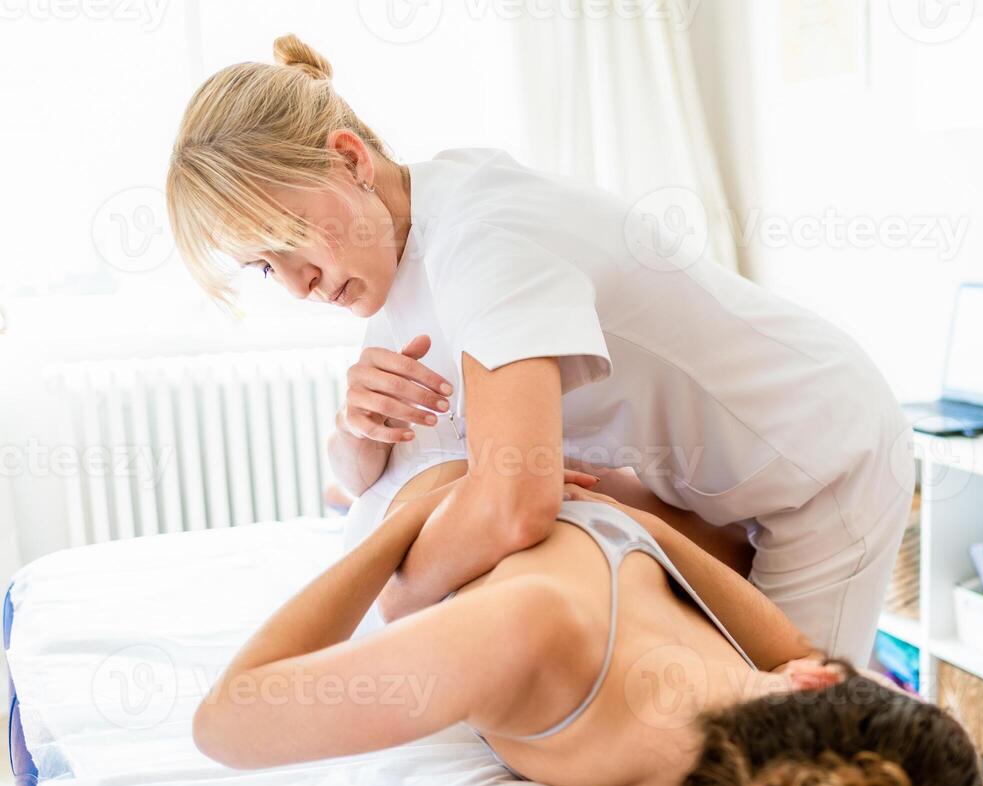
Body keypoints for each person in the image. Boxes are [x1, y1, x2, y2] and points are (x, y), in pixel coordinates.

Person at [165, 34, 913, 665]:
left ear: (351, 160)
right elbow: (366, 482)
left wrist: (375, 607)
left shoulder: (483, 240)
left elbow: (511, 505)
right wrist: (352, 428)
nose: (296, 286)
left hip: (821, 465)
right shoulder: (395, 255)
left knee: (786, 750)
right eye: (264, 266)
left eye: (291, 239)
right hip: (706, 489)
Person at [192, 463, 983, 786]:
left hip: (441, 506)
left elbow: (225, 721)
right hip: (557, 500)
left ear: (815, 689)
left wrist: (410, 523)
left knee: (361, 447)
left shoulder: (529, 633)